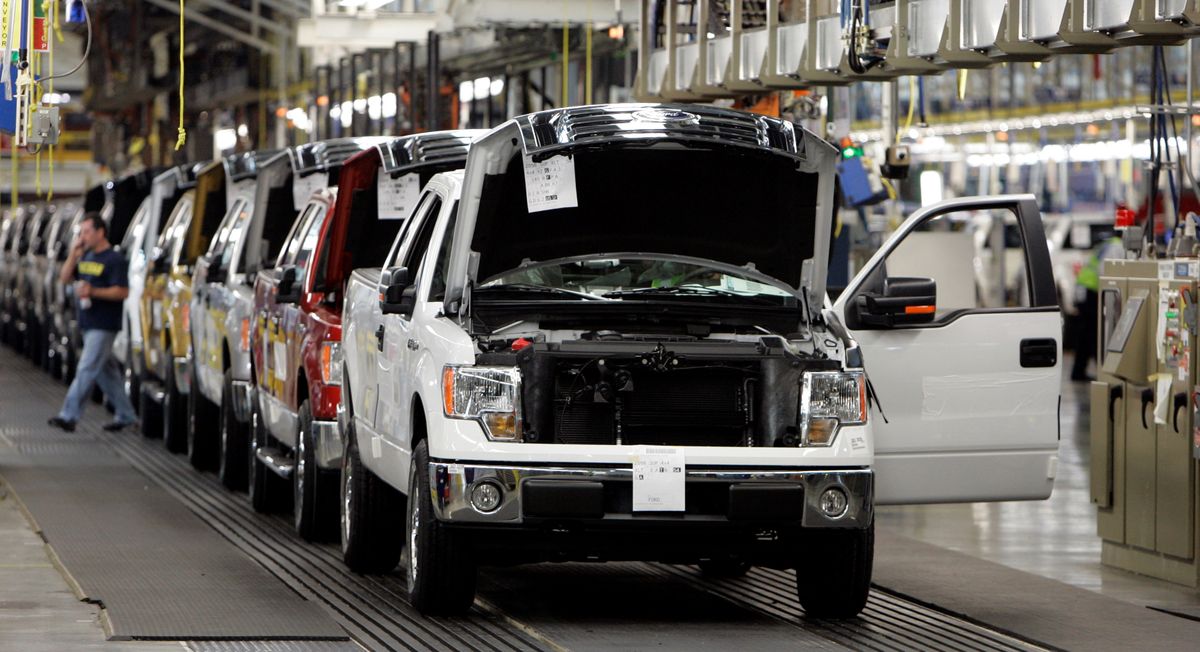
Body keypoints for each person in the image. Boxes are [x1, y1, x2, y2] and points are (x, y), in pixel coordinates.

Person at [47, 213, 137, 432]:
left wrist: (94, 291)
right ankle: (127, 415)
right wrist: (73, 255)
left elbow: (123, 291)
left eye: (87, 231)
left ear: (100, 232)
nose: (83, 236)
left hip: (104, 324)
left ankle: (68, 416)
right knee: (107, 374)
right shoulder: (85, 257)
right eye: (81, 232)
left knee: (87, 368)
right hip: (88, 322)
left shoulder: (115, 260)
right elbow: (65, 278)